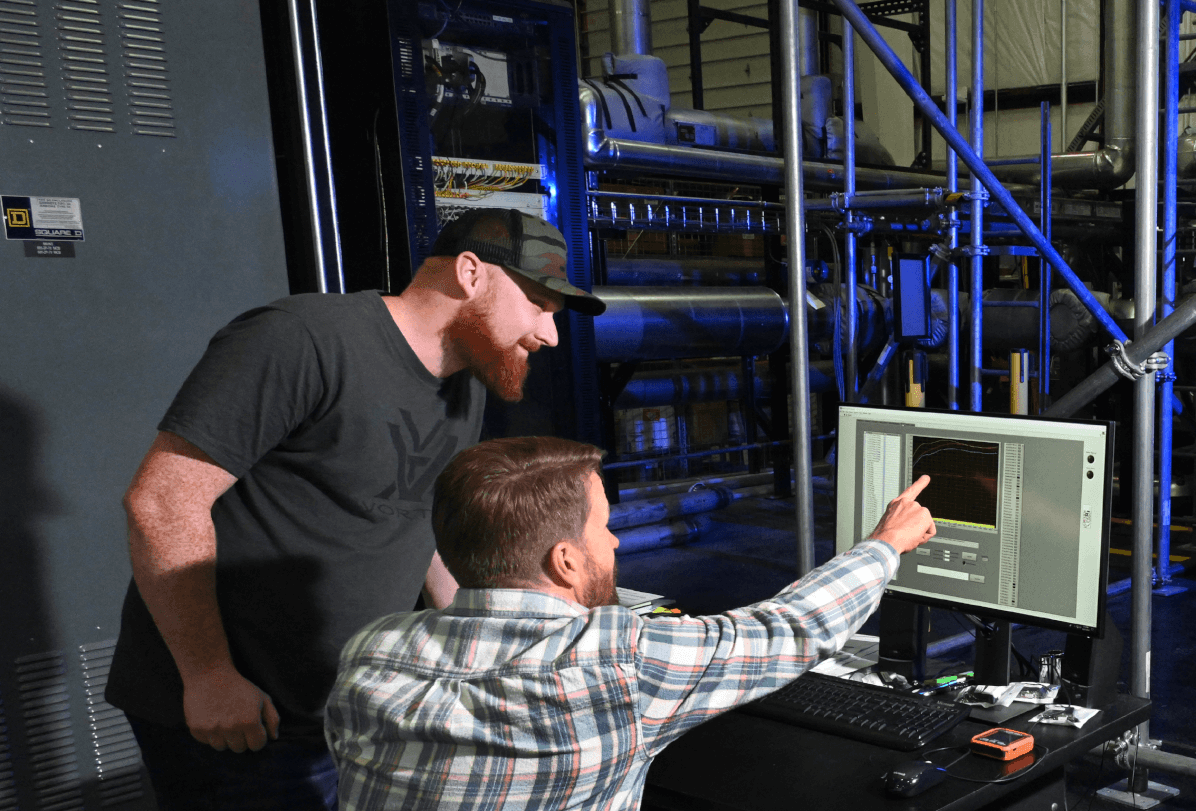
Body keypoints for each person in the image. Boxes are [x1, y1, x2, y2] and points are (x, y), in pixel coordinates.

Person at [110, 209, 607, 811]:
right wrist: (209, 676)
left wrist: (492, 646)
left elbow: (422, 523)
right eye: (538, 304)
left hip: (351, 705)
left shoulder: (464, 382)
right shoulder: (301, 338)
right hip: (244, 710)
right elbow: (163, 501)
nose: (550, 335)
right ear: (472, 274)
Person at [323, 436, 937, 810]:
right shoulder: (617, 663)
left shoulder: (370, 655)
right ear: (564, 561)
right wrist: (885, 545)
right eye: (604, 528)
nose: (615, 542)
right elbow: (789, 629)